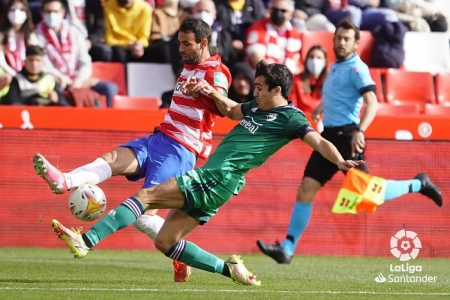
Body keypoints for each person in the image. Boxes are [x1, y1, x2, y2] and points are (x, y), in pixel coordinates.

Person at [48, 60, 364, 286]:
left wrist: (339, 162)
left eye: (259, 87)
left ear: (277, 89)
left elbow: (318, 141)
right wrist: (207, 90)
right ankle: (231, 270)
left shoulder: (291, 118)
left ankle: (86, 240)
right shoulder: (257, 107)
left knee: (146, 197)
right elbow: (228, 109)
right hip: (220, 182)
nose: (254, 93)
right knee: (166, 240)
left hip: (218, 176)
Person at [33, 16, 231, 283]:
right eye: (179, 43)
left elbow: (223, 109)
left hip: (181, 150)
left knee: (144, 210)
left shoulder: (215, 72)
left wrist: (205, 92)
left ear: (203, 42)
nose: (181, 49)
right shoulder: (187, 66)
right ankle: (64, 180)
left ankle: (90, 241)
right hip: (159, 138)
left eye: (186, 44)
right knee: (112, 159)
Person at [256, 18, 443, 264]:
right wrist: (322, 107)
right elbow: (340, 95)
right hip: (329, 137)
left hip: (349, 137)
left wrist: (360, 131)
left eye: (347, 39)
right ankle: (287, 248)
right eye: (339, 38)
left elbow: (373, 103)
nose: (341, 42)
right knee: (305, 190)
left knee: (369, 195)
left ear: (356, 44)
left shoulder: (358, 68)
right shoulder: (335, 66)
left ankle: (419, 183)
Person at [35, 0, 118, 107]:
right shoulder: (36, 36)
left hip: (78, 80)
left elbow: (85, 61)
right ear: (42, 13)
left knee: (109, 88)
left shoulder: (74, 32)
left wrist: (80, 79)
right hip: (56, 81)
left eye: (55, 11)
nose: (52, 15)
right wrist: (67, 81)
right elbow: (44, 66)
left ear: (63, 12)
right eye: (48, 12)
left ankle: (109, 121)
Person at [245, 0, 302, 75]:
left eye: (283, 10)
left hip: (286, 79)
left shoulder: (295, 34)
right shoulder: (257, 28)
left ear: (290, 14)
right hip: (262, 77)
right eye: (275, 9)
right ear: (269, 10)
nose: (278, 13)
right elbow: (256, 58)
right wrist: (272, 76)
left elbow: (296, 62)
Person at [2, 45, 70, 106]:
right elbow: (13, 102)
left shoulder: (50, 79)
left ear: (43, 63)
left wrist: (57, 100)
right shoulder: (17, 79)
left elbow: (65, 106)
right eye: (31, 60)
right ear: (25, 62)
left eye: (38, 60)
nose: (34, 64)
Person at [0, 0, 38, 76]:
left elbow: (36, 56)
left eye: (21, 9)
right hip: (8, 73)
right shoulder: (1, 35)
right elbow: (1, 62)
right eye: (13, 9)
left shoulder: (30, 35)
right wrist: (15, 76)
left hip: (27, 74)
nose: (16, 13)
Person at [289, 45, 328, 112]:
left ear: (325, 62)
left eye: (319, 58)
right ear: (306, 60)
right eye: (311, 57)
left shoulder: (330, 82)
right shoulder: (295, 80)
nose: (314, 61)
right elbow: (291, 108)